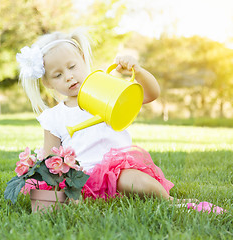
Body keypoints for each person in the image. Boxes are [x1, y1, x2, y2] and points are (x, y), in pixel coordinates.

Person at [16, 29, 226, 214]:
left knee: (137, 181)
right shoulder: (53, 117)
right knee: (59, 199)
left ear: (82, 59)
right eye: (58, 75)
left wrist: (139, 71)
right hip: (80, 177)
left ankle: (172, 202)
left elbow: (150, 94)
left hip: (117, 171)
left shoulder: (105, 91)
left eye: (72, 67)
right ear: (47, 82)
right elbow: (51, 157)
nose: (69, 77)